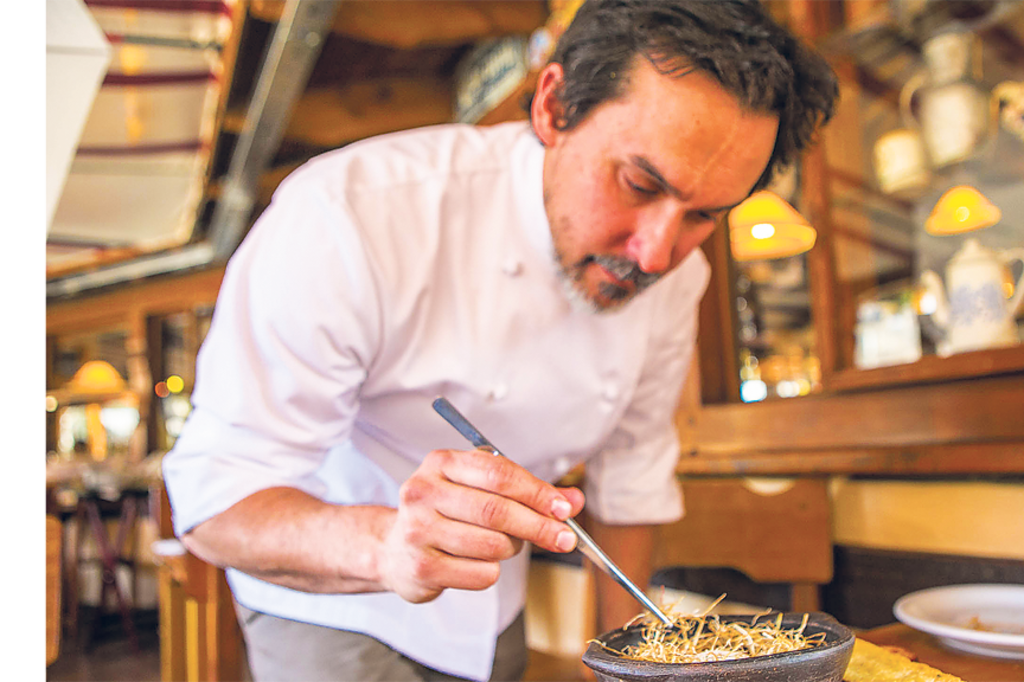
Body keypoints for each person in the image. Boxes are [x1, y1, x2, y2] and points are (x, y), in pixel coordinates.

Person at [161, 1, 838, 680]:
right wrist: (387, 545)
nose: (657, 254)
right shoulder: (350, 215)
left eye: (704, 216)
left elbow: (630, 478)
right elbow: (215, 498)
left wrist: (631, 667)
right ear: (553, 106)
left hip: (494, 602)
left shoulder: (679, 278)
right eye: (639, 184)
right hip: (333, 599)